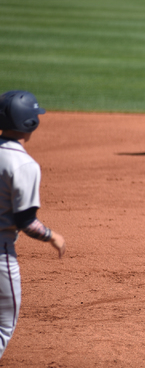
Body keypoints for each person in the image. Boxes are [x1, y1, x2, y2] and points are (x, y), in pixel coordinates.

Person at [0, 90, 66, 358]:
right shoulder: (24, 164)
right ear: (30, 124)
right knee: (4, 325)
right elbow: (26, 221)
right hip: (1, 254)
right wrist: (52, 236)